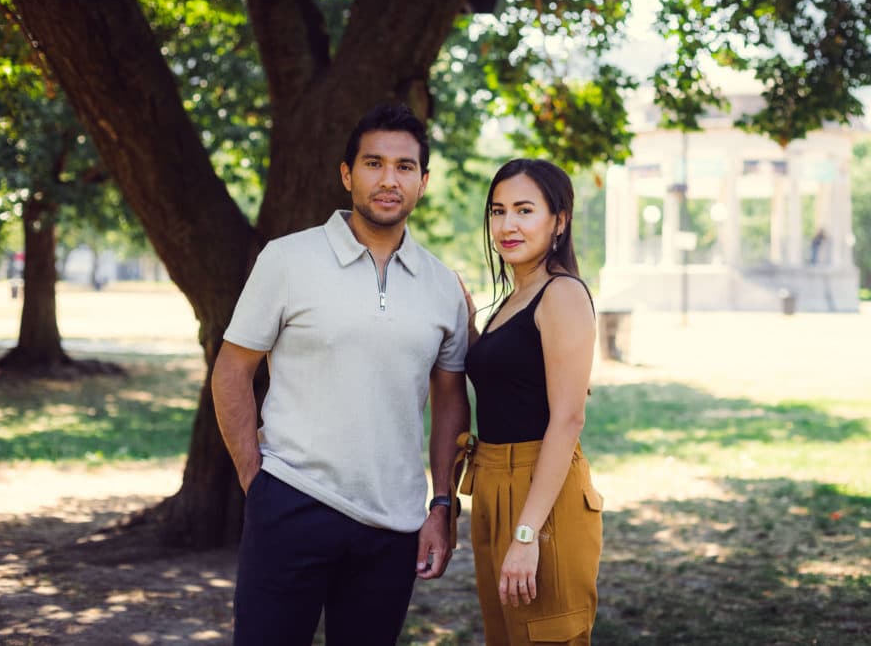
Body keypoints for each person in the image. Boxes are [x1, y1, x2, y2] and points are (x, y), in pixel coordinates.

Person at [211, 103, 471, 646]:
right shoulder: (286, 259)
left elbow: (450, 401)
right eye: (373, 163)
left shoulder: (442, 285)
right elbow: (233, 371)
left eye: (404, 167)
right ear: (347, 174)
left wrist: (441, 504)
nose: (388, 179)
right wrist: (254, 480)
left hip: (394, 526)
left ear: (423, 182)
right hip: (291, 502)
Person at [461, 159, 603, 645]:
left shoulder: (560, 294)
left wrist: (526, 535)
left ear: (558, 221)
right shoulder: (514, 297)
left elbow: (567, 419)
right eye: (498, 211)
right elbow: (506, 378)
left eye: (525, 210)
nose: (508, 225)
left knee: (546, 635)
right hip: (493, 484)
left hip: (542, 493)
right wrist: (466, 322)